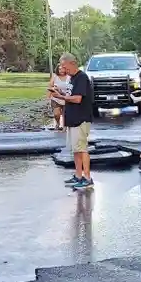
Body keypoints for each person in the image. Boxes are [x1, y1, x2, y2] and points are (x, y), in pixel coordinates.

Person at [49, 53, 95, 191]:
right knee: (75, 149)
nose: (63, 69)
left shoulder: (81, 78)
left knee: (82, 148)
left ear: (72, 63)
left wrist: (60, 96)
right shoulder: (72, 78)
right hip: (72, 119)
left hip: (81, 119)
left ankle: (87, 178)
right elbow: (70, 96)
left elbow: (77, 99)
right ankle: (78, 175)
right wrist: (60, 93)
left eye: (64, 66)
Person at [48, 65, 72, 131]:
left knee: (65, 114)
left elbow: (71, 87)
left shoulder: (69, 77)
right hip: (55, 98)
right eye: (59, 69)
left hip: (66, 98)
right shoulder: (55, 76)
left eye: (62, 69)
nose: (61, 70)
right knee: (56, 114)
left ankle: (65, 126)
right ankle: (58, 123)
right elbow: (50, 86)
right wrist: (49, 96)